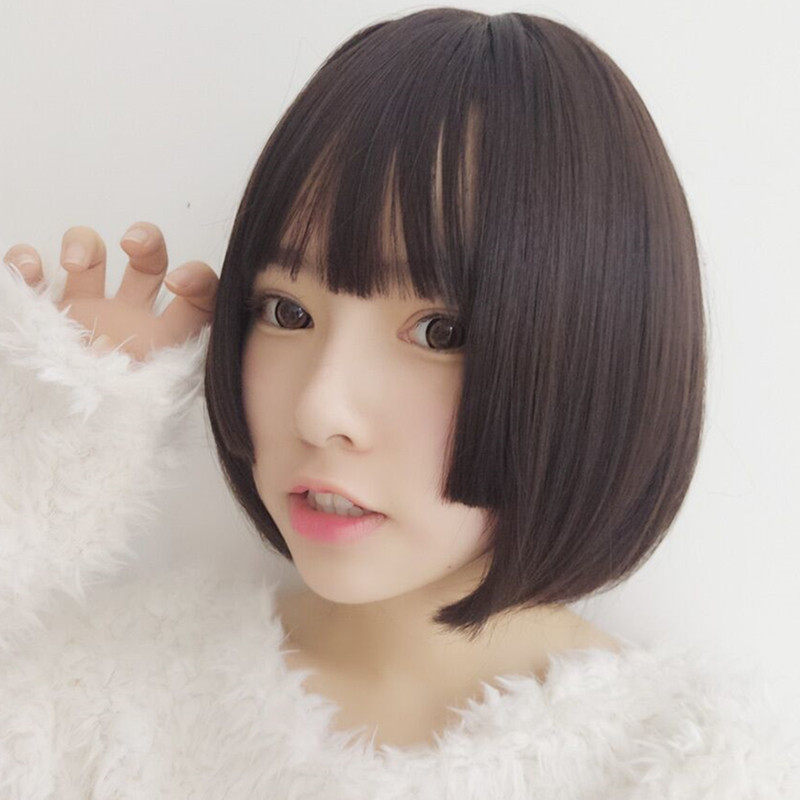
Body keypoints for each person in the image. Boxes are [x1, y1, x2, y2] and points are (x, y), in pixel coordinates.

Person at [1, 8, 797, 798]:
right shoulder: (97, 710)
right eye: (286, 312)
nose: (320, 410)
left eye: (439, 331)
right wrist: (57, 451)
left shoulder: (698, 769)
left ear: (595, 357)